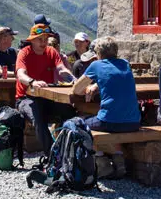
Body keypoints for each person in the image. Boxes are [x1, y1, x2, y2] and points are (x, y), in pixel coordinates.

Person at [15, 22, 77, 157]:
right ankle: (53, 156)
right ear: (32, 40)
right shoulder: (24, 53)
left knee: (71, 112)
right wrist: (32, 82)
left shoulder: (51, 51)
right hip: (25, 98)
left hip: (46, 97)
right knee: (38, 116)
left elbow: (61, 69)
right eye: (40, 39)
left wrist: (74, 80)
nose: (43, 42)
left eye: (46, 39)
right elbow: (21, 75)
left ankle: (72, 150)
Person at [71, 37, 142, 133]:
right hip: (134, 123)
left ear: (98, 53)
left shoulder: (96, 65)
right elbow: (115, 78)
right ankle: (116, 148)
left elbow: (76, 89)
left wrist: (89, 87)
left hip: (109, 122)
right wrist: (97, 85)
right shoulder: (125, 64)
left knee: (73, 123)